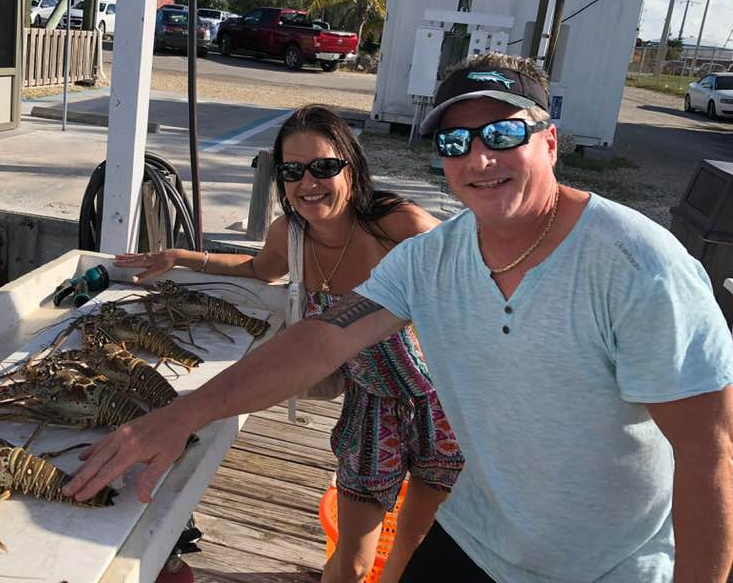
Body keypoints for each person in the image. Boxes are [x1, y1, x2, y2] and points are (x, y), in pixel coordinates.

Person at [64, 53, 733, 582]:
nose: (479, 158)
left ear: (550, 141)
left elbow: (709, 454)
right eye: (455, 139)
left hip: (605, 568)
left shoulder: (638, 267)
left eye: (504, 133)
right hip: (479, 536)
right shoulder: (432, 259)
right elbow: (322, 339)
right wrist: (183, 413)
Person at [112, 105, 464, 583]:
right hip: (371, 407)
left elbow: (474, 295)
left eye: (323, 166)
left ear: (351, 166)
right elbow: (259, 270)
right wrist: (180, 257)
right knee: (353, 564)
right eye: (292, 171)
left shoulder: (401, 227)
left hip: (440, 402)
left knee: (412, 545)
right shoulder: (290, 235)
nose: (308, 182)